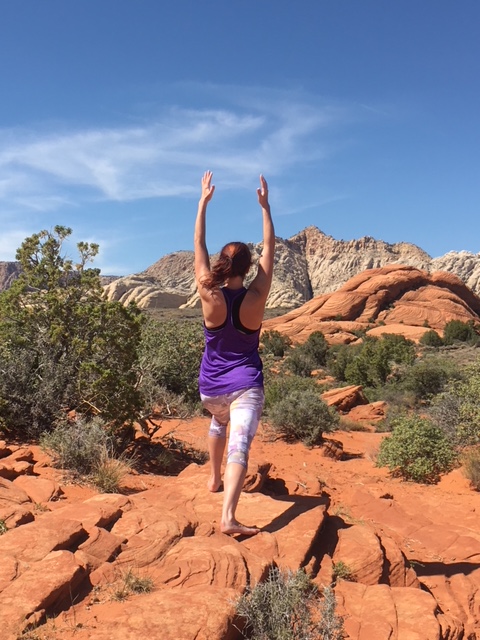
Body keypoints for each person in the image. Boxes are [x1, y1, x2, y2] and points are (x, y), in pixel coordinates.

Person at [194, 170, 275, 536]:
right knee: (239, 443)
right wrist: (265, 207)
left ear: (222, 266)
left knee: (219, 420)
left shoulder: (208, 294)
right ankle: (228, 517)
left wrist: (203, 203)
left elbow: (198, 246)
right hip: (245, 385)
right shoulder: (256, 298)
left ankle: (213, 479)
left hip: (210, 389)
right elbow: (270, 251)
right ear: (247, 267)